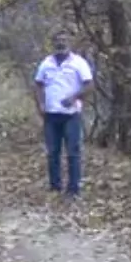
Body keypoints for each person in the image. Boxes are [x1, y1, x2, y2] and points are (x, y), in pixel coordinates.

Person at [33, 31, 93, 198]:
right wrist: (40, 104)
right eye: (58, 40)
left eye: (65, 40)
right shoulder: (46, 63)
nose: (61, 43)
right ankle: (55, 186)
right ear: (53, 43)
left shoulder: (78, 63)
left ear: (70, 42)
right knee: (53, 152)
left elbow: (89, 85)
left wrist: (75, 97)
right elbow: (38, 84)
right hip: (51, 115)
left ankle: (73, 189)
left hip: (71, 114)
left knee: (73, 152)